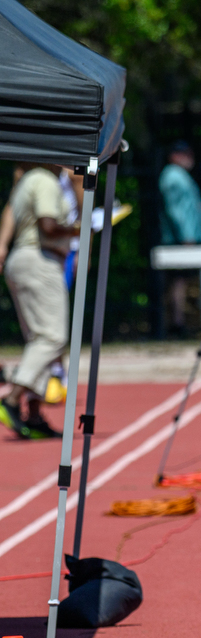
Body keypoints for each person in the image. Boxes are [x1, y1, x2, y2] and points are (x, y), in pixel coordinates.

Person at [0, 164, 78, 439]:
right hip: (39, 260)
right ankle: (12, 396)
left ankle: (33, 413)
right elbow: (48, 226)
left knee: (38, 340)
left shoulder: (25, 180)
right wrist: (78, 230)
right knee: (53, 338)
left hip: (23, 259)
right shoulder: (45, 181)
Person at [159, 140, 201, 336]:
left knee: (183, 281)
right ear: (174, 156)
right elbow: (176, 211)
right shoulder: (173, 176)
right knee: (178, 282)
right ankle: (177, 324)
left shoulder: (179, 176)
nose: (190, 158)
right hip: (180, 240)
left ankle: (183, 322)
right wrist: (187, 236)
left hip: (186, 238)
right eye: (185, 154)